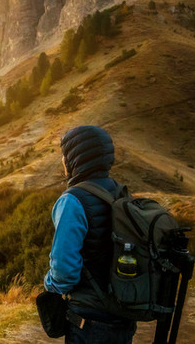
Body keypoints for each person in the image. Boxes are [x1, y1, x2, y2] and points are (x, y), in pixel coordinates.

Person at [44, 125, 136, 343]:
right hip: (122, 315)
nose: (63, 162)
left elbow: (64, 272)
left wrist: (48, 285)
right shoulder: (120, 192)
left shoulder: (72, 201)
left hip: (90, 320)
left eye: (65, 156)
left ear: (76, 158)